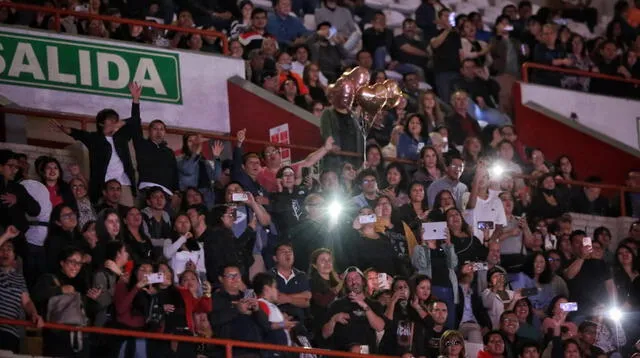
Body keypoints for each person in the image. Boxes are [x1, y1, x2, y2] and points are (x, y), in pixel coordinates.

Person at [50, 83, 139, 205]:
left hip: (124, 184)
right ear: (101, 123)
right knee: (104, 216)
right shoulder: (94, 138)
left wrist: (135, 99)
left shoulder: (121, 137)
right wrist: (61, 127)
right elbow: (76, 132)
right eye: (111, 119)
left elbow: (136, 120)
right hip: (103, 184)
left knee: (128, 214)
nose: (115, 121)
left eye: (116, 119)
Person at [32, 247, 94, 357]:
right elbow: (36, 295)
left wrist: (93, 299)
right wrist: (60, 290)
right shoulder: (49, 278)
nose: (76, 266)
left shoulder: (82, 283)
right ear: (62, 262)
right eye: (72, 262)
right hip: (57, 339)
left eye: (79, 263)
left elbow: (87, 313)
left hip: (79, 339)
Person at [0, 226, 44, 353]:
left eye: (9, 249)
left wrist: (34, 314)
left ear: (15, 256)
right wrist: (6, 236)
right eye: (1, 249)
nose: (5, 252)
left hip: (10, 333)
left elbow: (26, 302)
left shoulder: (19, 278)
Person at [321, 266, 386, 352]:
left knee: (358, 349)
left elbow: (380, 327)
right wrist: (334, 319)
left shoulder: (374, 305)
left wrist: (364, 305)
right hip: (342, 353)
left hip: (365, 352)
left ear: (363, 281)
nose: (354, 281)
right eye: (349, 279)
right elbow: (324, 334)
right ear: (346, 285)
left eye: (356, 277)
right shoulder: (336, 305)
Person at [210, 264, 269, 357]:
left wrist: (257, 310)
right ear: (221, 279)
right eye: (230, 276)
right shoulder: (215, 298)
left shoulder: (247, 296)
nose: (235, 278)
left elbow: (266, 326)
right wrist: (236, 309)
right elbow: (214, 320)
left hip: (256, 350)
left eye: (237, 275)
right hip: (231, 351)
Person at [563, 230, 615, 322]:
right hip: (576, 310)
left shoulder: (600, 264)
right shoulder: (567, 262)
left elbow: (610, 287)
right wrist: (582, 257)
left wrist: (612, 305)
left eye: (583, 242)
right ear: (571, 245)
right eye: (577, 242)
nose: (581, 245)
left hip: (600, 310)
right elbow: (569, 275)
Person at [206, 204, 257, 284]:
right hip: (228, 281)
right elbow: (235, 248)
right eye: (229, 215)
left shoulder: (224, 233)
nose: (232, 218)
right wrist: (249, 230)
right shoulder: (217, 234)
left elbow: (242, 251)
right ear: (220, 217)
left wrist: (252, 231)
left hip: (232, 279)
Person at [490, 15, 524, 117]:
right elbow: (493, 52)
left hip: (517, 75)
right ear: (497, 26)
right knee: (504, 103)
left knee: (517, 103)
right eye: (502, 23)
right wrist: (499, 35)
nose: (505, 25)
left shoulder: (516, 41)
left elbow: (524, 54)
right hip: (502, 74)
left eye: (507, 23)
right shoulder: (494, 40)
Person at [177, 134, 223, 209]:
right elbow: (188, 170)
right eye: (190, 141)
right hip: (192, 197)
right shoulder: (180, 160)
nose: (194, 143)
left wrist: (217, 157)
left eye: (196, 141)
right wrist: (196, 153)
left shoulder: (204, 161)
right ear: (185, 144)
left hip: (208, 197)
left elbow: (216, 177)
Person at [0, 149, 40, 234]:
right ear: (0, 166)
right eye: (10, 166)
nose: (15, 170)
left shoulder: (18, 188)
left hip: (19, 238)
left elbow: (36, 210)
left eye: (17, 167)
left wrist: (18, 200)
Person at [254, 272, 296, 352]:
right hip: (273, 351)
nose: (277, 291)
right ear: (266, 289)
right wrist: (284, 324)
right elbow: (267, 325)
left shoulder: (270, 305)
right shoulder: (261, 304)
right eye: (275, 287)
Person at [269, 243, 311, 323]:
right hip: (277, 321)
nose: (288, 254)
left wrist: (287, 298)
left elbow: (306, 301)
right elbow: (274, 299)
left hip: (299, 321)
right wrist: (299, 296)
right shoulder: (268, 276)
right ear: (275, 258)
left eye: (290, 251)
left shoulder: (301, 275)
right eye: (283, 252)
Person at [430, 8, 462, 102]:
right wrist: (447, 30)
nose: (448, 18)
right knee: (446, 99)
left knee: (458, 98)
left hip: (456, 70)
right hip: (442, 71)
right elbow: (435, 44)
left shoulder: (455, 34)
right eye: (446, 16)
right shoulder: (434, 32)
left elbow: (460, 52)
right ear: (439, 19)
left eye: (450, 16)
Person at [456, 262, 492, 343]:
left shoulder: (474, 293)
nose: (470, 271)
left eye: (472, 270)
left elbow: (482, 310)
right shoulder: (455, 290)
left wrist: (487, 325)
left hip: (476, 325)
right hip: (461, 325)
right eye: (467, 269)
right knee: (475, 332)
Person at [44, 204, 84, 273]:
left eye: (72, 214)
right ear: (58, 222)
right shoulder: (54, 240)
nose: (71, 217)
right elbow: (53, 266)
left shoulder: (80, 236)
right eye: (66, 216)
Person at [308, 248, 341, 329]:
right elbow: (322, 301)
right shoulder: (311, 282)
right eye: (323, 260)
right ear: (315, 265)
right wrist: (340, 284)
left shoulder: (337, 280)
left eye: (329, 260)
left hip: (340, 323)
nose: (327, 263)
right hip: (321, 325)